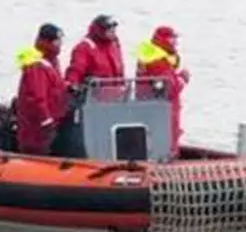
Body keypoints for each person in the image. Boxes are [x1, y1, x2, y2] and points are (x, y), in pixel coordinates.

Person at [14, 23, 68, 156]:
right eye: (57, 41)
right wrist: (46, 120)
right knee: (38, 151)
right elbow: (37, 96)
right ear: (49, 42)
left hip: (51, 120)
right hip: (38, 127)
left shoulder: (51, 62)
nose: (60, 44)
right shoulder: (37, 65)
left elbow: (54, 86)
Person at [135, 25, 189, 156]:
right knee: (166, 135)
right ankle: (167, 156)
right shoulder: (158, 61)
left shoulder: (151, 56)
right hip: (163, 108)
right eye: (172, 39)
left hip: (151, 105)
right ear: (164, 39)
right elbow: (169, 89)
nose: (175, 42)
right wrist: (182, 79)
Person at [64, 14, 125, 88]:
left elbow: (120, 70)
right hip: (94, 92)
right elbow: (76, 69)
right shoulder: (84, 47)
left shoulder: (114, 44)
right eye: (110, 31)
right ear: (100, 31)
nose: (113, 34)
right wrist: (72, 85)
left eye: (114, 31)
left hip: (114, 91)